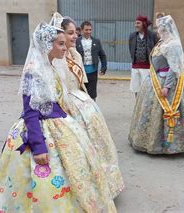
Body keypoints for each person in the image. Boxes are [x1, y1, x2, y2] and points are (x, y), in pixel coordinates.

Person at [0, 20, 116, 212]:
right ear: (48, 44)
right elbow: (30, 111)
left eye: (65, 43)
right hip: (40, 129)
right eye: (61, 44)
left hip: (60, 124)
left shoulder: (50, 65)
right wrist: (38, 147)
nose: (65, 48)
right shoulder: (34, 70)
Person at [53, 13, 124, 199]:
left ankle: (104, 183)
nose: (74, 36)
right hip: (65, 107)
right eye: (70, 33)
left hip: (80, 102)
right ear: (60, 35)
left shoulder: (74, 53)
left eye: (75, 32)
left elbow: (80, 83)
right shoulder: (55, 57)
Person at [128, 15, 184, 154]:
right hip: (156, 78)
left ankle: (171, 144)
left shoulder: (173, 44)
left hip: (168, 82)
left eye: (159, 28)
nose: (157, 31)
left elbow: (173, 67)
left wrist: (167, 86)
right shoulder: (162, 43)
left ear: (166, 29)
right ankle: (152, 140)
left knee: (171, 111)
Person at [76, 21, 107, 101]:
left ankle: (93, 112)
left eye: (90, 30)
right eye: (86, 30)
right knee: (81, 94)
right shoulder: (76, 41)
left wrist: (103, 68)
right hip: (80, 73)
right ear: (82, 30)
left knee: (92, 95)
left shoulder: (96, 41)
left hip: (93, 72)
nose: (88, 32)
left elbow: (102, 55)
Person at [129, 15, 158, 97]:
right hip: (135, 67)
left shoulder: (152, 35)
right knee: (136, 88)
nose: (136, 25)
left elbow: (156, 50)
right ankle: (138, 106)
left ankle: (145, 108)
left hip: (147, 67)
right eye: (135, 23)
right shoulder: (132, 36)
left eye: (138, 23)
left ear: (144, 24)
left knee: (146, 90)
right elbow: (131, 49)